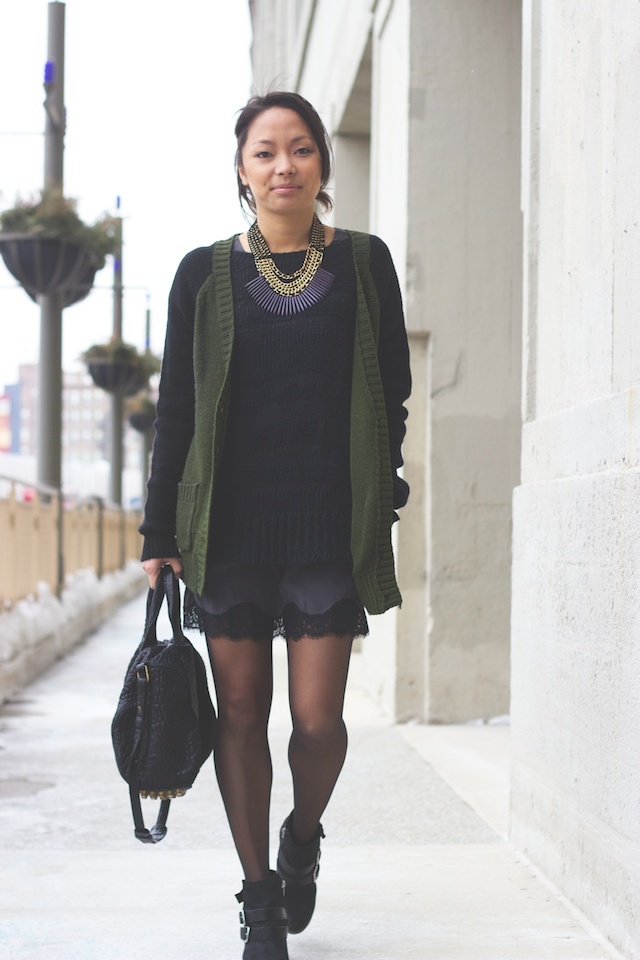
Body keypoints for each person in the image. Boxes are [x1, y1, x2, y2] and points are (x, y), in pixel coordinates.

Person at [139, 90, 411, 960]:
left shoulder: (365, 265)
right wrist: (157, 531)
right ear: (243, 170)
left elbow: (391, 393)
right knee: (241, 714)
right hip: (229, 532)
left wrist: (388, 484)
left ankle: (303, 838)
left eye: (300, 149)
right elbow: (175, 411)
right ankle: (259, 896)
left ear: (322, 165)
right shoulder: (201, 274)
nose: (283, 165)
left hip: (327, 526)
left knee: (319, 721)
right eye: (265, 151)